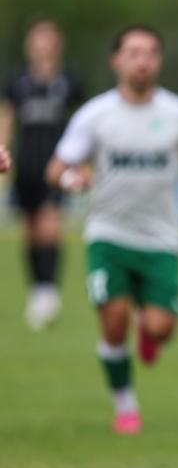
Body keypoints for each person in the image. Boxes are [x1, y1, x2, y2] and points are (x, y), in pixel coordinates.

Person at [45, 25, 178, 435]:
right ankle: (125, 406)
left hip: (161, 238)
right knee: (114, 317)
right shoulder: (95, 115)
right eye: (133, 52)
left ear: (159, 61)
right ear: (116, 60)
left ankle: (149, 333)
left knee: (160, 327)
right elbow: (56, 168)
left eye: (151, 52)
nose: (142, 60)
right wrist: (72, 181)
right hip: (108, 234)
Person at [1, 19, 84, 329]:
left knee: (50, 225)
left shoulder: (70, 81)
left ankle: (48, 290)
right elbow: (7, 117)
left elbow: (82, 121)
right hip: (25, 164)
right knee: (31, 230)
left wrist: (81, 162)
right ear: (29, 45)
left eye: (48, 40)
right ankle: (37, 288)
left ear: (57, 44)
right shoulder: (18, 80)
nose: (43, 46)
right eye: (37, 40)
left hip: (58, 166)